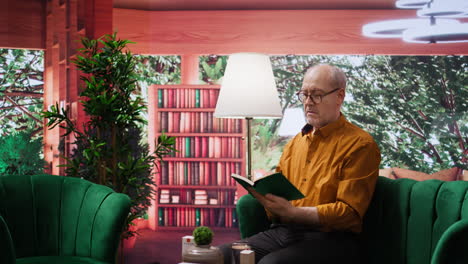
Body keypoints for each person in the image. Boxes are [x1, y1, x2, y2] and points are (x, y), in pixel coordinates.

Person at [219, 64, 381, 264]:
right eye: (304, 94)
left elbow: (349, 214)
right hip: (283, 233)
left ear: (340, 96)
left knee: (271, 263)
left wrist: (295, 213)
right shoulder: (296, 143)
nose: (308, 103)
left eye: (317, 95)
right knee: (217, 255)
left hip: (332, 240)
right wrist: (265, 196)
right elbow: (282, 196)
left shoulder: (360, 144)